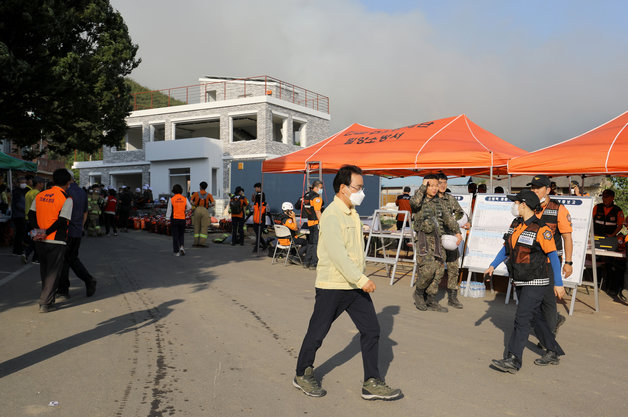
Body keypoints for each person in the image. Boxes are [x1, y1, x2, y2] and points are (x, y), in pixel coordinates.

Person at [293, 165, 401, 400]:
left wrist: (358, 279)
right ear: (343, 188)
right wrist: (362, 279)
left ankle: (372, 381)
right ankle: (302, 373)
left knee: (371, 330)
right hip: (333, 285)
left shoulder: (351, 212)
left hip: (353, 286)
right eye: (358, 187)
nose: (362, 192)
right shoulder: (332, 215)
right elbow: (338, 255)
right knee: (318, 331)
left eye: (361, 187)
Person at [486, 190, 565, 373]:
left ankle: (513, 359)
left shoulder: (541, 229)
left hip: (536, 280)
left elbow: (553, 257)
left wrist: (558, 283)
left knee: (522, 318)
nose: (514, 206)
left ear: (524, 204)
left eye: (516, 203)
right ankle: (553, 351)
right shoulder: (515, 224)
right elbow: (507, 248)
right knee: (534, 317)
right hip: (520, 279)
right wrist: (492, 265)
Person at [410, 174, 462, 313]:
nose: (434, 188)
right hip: (424, 240)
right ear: (425, 185)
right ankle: (419, 293)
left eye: (435, 185)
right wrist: (422, 186)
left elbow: (448, 218)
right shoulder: (419, 198)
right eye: (431, 185)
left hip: (438, 240)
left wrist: (457, 231)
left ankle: (431, 299)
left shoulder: (439, 202)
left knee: (438, 271)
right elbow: (414, 204)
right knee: (428, 270)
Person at [528, 175, 572, 337]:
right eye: (532, 187)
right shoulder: (529, 207)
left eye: (537, 188)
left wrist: (568, 262)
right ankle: (555, 320)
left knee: (548, 300)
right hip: (533, 261)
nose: (534, 191)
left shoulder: (559, 209)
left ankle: (549, 338)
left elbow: (567, 237)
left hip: (550, 262)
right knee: (535, 299)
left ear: (547, 190)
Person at [29, 168, 74, 313]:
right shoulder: (66, 199)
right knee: (53, 272)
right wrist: (47, 232)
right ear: (68, 183)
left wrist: (39, 231)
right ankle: (45, 302)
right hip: (56, 240)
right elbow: (62, 221)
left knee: (45, 270)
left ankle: (49, 298)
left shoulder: (40, 195)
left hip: (40, 240)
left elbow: (31, 214)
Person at [57, 170, 97, 299]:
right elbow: (85, 213)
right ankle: (87, 280)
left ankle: (64, 289)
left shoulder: (64, 192)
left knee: (64, 260)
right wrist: (80, 227)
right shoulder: (81, 192)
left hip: (66, 231)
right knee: (71, 258)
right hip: (76, 231)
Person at [437, 173, 470, 309]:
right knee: (436, 269)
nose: (443, 185)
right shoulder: (431, 200)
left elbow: (460, 213)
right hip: (437, 238)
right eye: (440, 182)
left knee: (453, 268)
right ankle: (430, 295)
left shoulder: (450, 198)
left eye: (445, 182)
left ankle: (452, 297)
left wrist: (467, 222)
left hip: (451, 238)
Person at [302, 180, 324, 269]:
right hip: (316, 222)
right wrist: (322, 222)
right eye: (321, 188)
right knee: (315, 243)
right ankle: (313, 263)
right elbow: (318, 211)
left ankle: (306, 262)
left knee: (310, 243)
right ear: (316, 187)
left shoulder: (307, 196)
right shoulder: (316, 198)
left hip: (309, 222)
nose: (321, 190)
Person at [23, 177, 44, 264]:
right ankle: (34, 257)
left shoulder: (28, 193)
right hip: (35, 219)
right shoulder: (37, 194)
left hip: (27, 219)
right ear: (38, 183)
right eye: (42, 183)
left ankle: (29, 255)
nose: (43, 185)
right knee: (37, 239)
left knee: (34, 238)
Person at [166, 184, 191, 256]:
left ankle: (176, 252)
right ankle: (182, 247)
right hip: (182, 219)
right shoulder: (184, 198)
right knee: (181, 234)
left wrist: (167, 218)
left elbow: (169, 210)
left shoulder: (172, 199)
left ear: (173, 191)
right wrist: (184, 210)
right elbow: (189, 207)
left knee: (175, 235)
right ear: (181, 190)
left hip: (174, 219)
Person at [190, 181, 215, 247]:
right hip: (205, 210)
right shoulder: (209, 195)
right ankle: (202, 243)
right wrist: (208, 206)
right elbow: (213, 203)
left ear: (200, 186)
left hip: (197, 209)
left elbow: (191, 201)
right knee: (204, 227)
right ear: (206, 187)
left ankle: (196, 243)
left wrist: (195, 204)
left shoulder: (195, 194)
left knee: (196, 226)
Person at [11, 176, 30, 256]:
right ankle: (18, 250)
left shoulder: (25, 191)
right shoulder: (16, 192)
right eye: (22, 182)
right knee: (20, 233)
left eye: (25, 182)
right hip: (18, 215)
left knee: (21, 233)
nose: (24, 184)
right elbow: (18, 204)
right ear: (18, 183)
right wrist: (25, 210)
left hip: (22, 215)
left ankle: (18, 249)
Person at [251, 182, 267, 252]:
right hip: (256, 217)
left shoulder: (262, 194)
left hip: (261, 218)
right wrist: (253, 198)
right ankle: (264, 244)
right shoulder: (257, 195)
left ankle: (256, 248)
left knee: (258, 233)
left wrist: (255, 197)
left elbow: (261, 199)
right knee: (256, 232)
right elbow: (254, 201)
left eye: (256, 188)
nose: (255, 189)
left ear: (259, 188)